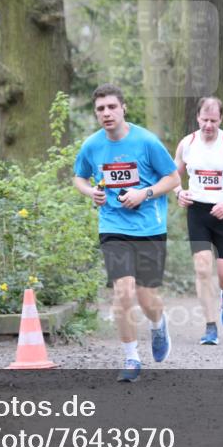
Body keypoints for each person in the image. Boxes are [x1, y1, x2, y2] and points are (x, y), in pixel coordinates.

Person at [73, 84, 181, 382]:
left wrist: (144, 193)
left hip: (149, 226)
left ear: (123, 108)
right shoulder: (92, 146)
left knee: (147, 298)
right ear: (96, 114)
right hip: (113, 227)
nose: (106, 113)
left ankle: (159, 325)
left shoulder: (146, 141)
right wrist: (90, 191)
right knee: (122, 293)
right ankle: (131, 358)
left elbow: (172, 178)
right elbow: (79, 177)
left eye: (111, 107)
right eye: (100, 109)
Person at [173, 97, 223, 345]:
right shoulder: (187, 144)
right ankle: (210, 326)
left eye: (213, 121)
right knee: (201, 267)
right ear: (197, 118)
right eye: (204, 120)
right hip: (197, 212)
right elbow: (172, 175)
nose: (208, 125)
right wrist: (179, 192)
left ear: (221, 119)